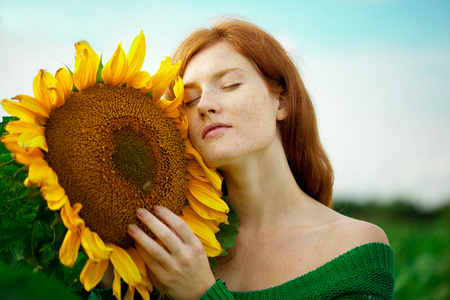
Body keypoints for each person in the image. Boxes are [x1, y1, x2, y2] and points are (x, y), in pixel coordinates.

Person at [127, 18, 395, 299]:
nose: (204, 105)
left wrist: (201, 294)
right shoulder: (174, 245)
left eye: (229, 84)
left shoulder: (354, 247)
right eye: (191, 99)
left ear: (282, 101)